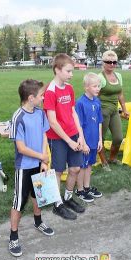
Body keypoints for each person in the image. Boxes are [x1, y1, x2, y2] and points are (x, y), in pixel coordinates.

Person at [8, 79, 54, 257]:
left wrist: (44, 159)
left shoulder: (40, 113)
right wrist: (41, 156)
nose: (43, 98)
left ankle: (38, 221)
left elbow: (43, 135)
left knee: (37, 195)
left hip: (39, 163)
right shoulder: (18, 118)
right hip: (24, 166)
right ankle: (13, 236)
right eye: (41, 96)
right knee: (19, 201)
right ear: (31, 97)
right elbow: (21, 148)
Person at [43, 53, 86, 221]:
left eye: (72, 71)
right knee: (58, 171)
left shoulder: (69, 88)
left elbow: (73, 113)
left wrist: (80, 136)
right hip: (58, 138)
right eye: (68, 71)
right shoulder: (50, 91)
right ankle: (57, 203)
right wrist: (68, 140)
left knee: (75, 169)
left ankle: (68, 198)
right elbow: (52, 122)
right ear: (57, 70)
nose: (71, 74)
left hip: (73, 135)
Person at [75, 73, 104, 203]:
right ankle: (79, 190)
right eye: (95, 86)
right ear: (86, 87)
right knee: (82, 166)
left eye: (99, 86)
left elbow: (99, 122)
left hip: (94, 140)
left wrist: (100, 139)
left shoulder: (97, 101)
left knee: (90, 164)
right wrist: (84, 143)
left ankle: (86, 187)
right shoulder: (80, 103)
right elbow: (79, 125)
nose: (98, 88)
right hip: (85, 142)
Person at [98, 50, 129, 171]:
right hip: (102, 112)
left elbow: (120, 94)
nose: (111, 64)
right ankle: (104, 161)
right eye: (108, 62)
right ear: (103, 62)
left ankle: (112, 158)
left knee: (118, 138)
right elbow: (95, 96)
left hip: (114, 111)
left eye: (114, 62)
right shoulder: (100, 77)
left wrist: (124, 109)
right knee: (101, 138)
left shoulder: (119, 76)